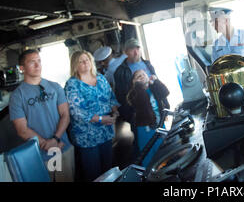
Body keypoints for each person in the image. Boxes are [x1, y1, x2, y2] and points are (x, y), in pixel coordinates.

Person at [9, 49, 74, 182]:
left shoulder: (55, 87)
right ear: (22, 68)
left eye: (39, 61)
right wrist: (48, 144)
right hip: (41, 154)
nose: (38, 65)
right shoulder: (17, 96)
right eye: (32, 62)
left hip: (63, 147)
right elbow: (22, 130)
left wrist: (55, 139)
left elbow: (65, 114)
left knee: (65, 179)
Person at [64, 50, 120, 182]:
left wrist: (115, 112)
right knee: (93, 173)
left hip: (105, 132)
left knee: (108, 170)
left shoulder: (100, 78)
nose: (85, 63)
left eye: (87, 60)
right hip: (87, 137)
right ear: (75, 65)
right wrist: (101, 119)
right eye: (81, 61)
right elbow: (76, 111)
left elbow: (111, 97)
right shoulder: (72, 84)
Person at [126, 69, 170, 167]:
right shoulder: (134, 93)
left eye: (143, 74)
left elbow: (165, 93)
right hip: (145, 128)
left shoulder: (153, 87)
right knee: (148, 153)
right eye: (138, 76)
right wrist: (138, 86)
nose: (142, 76)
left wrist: (156, 81)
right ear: (134, 82)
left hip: (159, 124)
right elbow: (142, 100)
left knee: (163, 149)